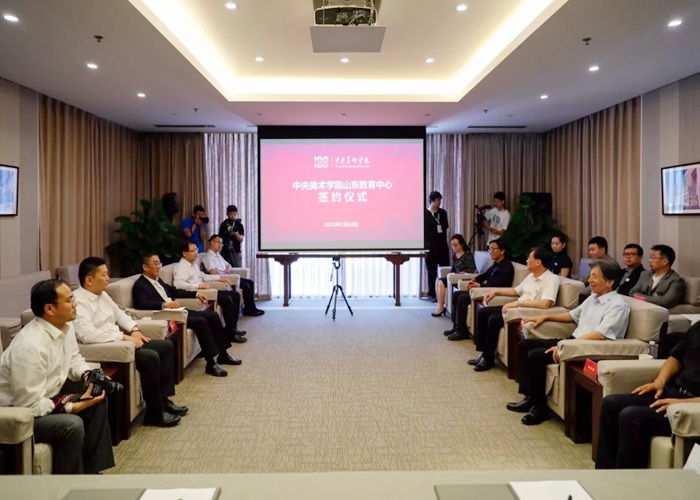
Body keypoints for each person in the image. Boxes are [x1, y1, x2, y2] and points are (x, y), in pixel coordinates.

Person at [0, 280, 114, 474]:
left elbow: (74, 359)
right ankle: (65, 484)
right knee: (71, 424)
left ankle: (91, 473)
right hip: (17, 415)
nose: (75, 304)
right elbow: (29, 405)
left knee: (97, 398)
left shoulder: (65, 326)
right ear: (50, 309)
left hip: (44, 398)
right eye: (69, 300)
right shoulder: (30, 346)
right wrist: (71, 406)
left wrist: (86, 374)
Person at [508, 259, 629, 425]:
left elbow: (600, 335)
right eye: (590, 276)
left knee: (536, 356)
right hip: (572, 341)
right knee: (524, 345)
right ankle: (529, 398)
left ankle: (539, 409)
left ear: (609, 282)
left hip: (584, 348)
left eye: (594, 277)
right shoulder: (593, 298)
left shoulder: (617, 306)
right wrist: (545, 317)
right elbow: (572, 315)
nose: (589, 280)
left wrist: (566, 346)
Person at [73, 257, 187, 428]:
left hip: (119, 340)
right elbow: (88, 335)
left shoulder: (102, 295)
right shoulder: (78, 301)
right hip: (107, 346)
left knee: (166, 346)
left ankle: (164, 401)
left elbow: (120, 314)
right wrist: (123, 337)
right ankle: (154, 414)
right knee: (150, 357)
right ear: (89, 279)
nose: (108, 278)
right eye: (104, 275)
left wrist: (134, 329)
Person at [597, 321, 700, 469]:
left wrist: (683, 403)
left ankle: (626, 480)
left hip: (691, 407)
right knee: (610, 403)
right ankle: (603, 474)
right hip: (674, 391)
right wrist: (659, 381)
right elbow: (675, 358)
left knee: (632, 416)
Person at [132, 253, 241, 377]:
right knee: (200, 321)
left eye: (159, 263)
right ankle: (211, 363)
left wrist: (196, 294)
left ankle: (223, 354)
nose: (158, 267)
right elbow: (141, 304)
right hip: (167, 315)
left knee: (212, 316)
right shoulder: (140, 285)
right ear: (145, 267)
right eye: (155, 264)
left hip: (178, 311)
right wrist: (164, 304)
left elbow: (174, 291)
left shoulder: (158, 280)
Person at [470, 247, 560, 372]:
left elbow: (545, 303)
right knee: (483, 312)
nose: (526, 260)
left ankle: (488, 359)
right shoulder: (531, 276)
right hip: (517, 307)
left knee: (494, 319)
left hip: (526, 311)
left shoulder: (552, 279)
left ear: (538, 262)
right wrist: (496, 292)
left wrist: (519, 303)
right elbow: (516, 291)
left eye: (529, 258)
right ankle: (484, 353)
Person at [173, 241, 247, 343]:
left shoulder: (192, 263)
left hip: (205, 289)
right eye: (193, 251)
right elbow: (178, 284)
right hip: (198, 292)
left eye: (196, 250)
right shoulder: (181, 267)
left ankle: (232, 328)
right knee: (227, 299)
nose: (196, 253)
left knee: (235, 295)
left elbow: (202, 275)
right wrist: (197, 286)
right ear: (184, 253)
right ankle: (231, 334)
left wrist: (218, 278)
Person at [444, 239, 515, 341]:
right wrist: (475, 280)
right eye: (489, 249)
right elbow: (485, 275)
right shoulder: (496, 264)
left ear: (502, 251)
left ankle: (462, 331)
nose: (490, 252)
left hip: (493, 293)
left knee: (463, 297)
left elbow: (498, 285)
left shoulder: (506, 267)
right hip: (485, 289)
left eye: (493, 249)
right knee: (457, 294)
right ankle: (456, 327)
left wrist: (480, 286)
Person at [203, 235, 264, 317]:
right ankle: (249, 310)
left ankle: (250, 308)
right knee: (246, 285)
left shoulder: (217, 255)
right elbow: (213, 272)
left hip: (228, 276)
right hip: (222, 279)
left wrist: (227, 270)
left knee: (250, 282)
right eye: (219, 243)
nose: (220, 245)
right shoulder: (208, 257)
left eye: (221, 243)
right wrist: (224, 272)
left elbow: (228, 265)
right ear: (212, 242)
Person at [628, 244, 686, 309]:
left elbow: (666, 301)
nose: (650, 261)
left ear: (665, 261)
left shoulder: (676, 280)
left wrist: (642, 298)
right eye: (650, 258)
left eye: (654, 258)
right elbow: (632, 292)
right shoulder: (645, 274)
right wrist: (652, 299)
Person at [432, 234, 477, 317]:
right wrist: (452, 274)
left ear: (462, 244)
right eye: (452, 245)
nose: (454, 247)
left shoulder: (467, 254)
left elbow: (471, 269)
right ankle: (440, 305)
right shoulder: (454, 255)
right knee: (437, 280)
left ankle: (441, 308)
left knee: (441, 282)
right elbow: (453, 269)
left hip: (462, 278)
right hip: (454, 277)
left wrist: (461, 273)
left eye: (456, 245)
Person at [424, 191, 450, 301]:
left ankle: (445, 293)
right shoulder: (425, 213)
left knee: (445, 270)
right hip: (430, 247)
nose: (440, 202)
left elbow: (445, 227)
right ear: (432, 200)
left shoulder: (443, 213)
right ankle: (432, 294)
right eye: (438, 200)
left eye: (440, 200)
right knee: (431, 271)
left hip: (442, 246)